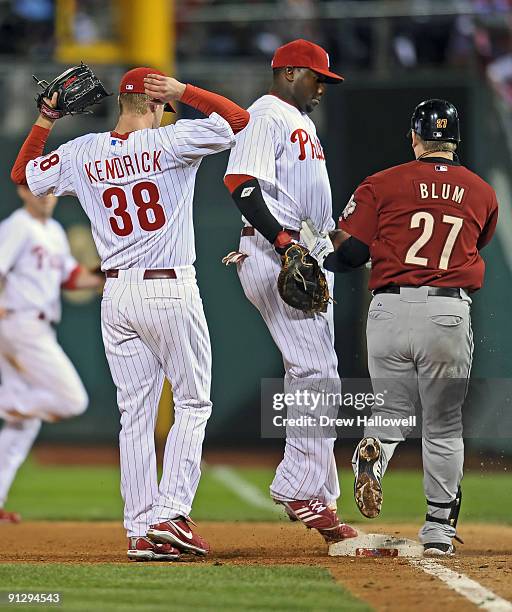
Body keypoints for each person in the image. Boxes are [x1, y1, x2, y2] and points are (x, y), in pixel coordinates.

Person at [11, 67, 250, 560]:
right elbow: (238, 121)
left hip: (117, 296)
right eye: (165, 101)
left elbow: (22, 176)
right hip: (168, 287)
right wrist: (187, 91)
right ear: (155, 103)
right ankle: (171, 516)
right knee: (192, 403)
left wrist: (45, 117)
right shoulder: (172, 140)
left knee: (134, 414)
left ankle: (141, 530)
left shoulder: (82, 152)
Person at [309, 99, 498, 556]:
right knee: (444, 425)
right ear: (454, 140)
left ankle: (375, 446)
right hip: (447, 312)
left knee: (393, 411)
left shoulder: (383, 183)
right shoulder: (482, 192)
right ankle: (437, 531)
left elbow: (351, 255)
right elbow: (476, 240)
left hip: (389, 310)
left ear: (415, 138)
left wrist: (319, 256)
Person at [223, 39, 357, 545]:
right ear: (291, 72)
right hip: (276, 253)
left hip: (304, 252)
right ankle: (300, 488)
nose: (323, 87)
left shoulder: (300, 121)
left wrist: (332, 244)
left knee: (321, 373)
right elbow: (241, 181)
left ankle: (321, 499)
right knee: (314, 371)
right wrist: (284, 243)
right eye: (318, 78)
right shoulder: (267, 114)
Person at [0, 185, 102, 522]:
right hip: (20, 324)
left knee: (23, 424)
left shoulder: (54, 230)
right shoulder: (18, 225)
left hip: (35, 326)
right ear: (22, 192)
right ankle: (7, 404)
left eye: (49, 190)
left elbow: (72, 278)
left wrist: (108, 273)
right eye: (35, 189)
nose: (44, 195)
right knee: (72, 401)